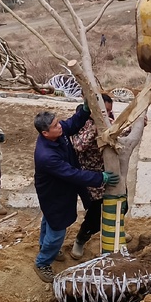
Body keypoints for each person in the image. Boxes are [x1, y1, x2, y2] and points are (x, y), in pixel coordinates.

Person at [32, 104, 120, 283]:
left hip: (59, 191)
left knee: (49, 219)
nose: (60, 127)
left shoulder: (57, 134)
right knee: (57, 230)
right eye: (56, 126)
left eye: (58, 123)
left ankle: (44, 246)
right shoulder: (47, 156)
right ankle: (42, 261)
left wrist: (85, 111)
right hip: (54, 194)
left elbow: (71, 124)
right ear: (45, 133)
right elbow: (72, 174)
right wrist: (100, 178)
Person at [69, 93, 115, 260]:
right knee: (95, 213)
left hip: (112, 171)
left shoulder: (108, 119)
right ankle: (81, 239)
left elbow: (120, 130)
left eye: (110, 112)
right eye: (105, 112)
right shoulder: (82, 123)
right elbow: (78, 146)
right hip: (93, 176)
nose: (108, 115)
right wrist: (95, 127)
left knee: (121, 204)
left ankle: (115, 230)